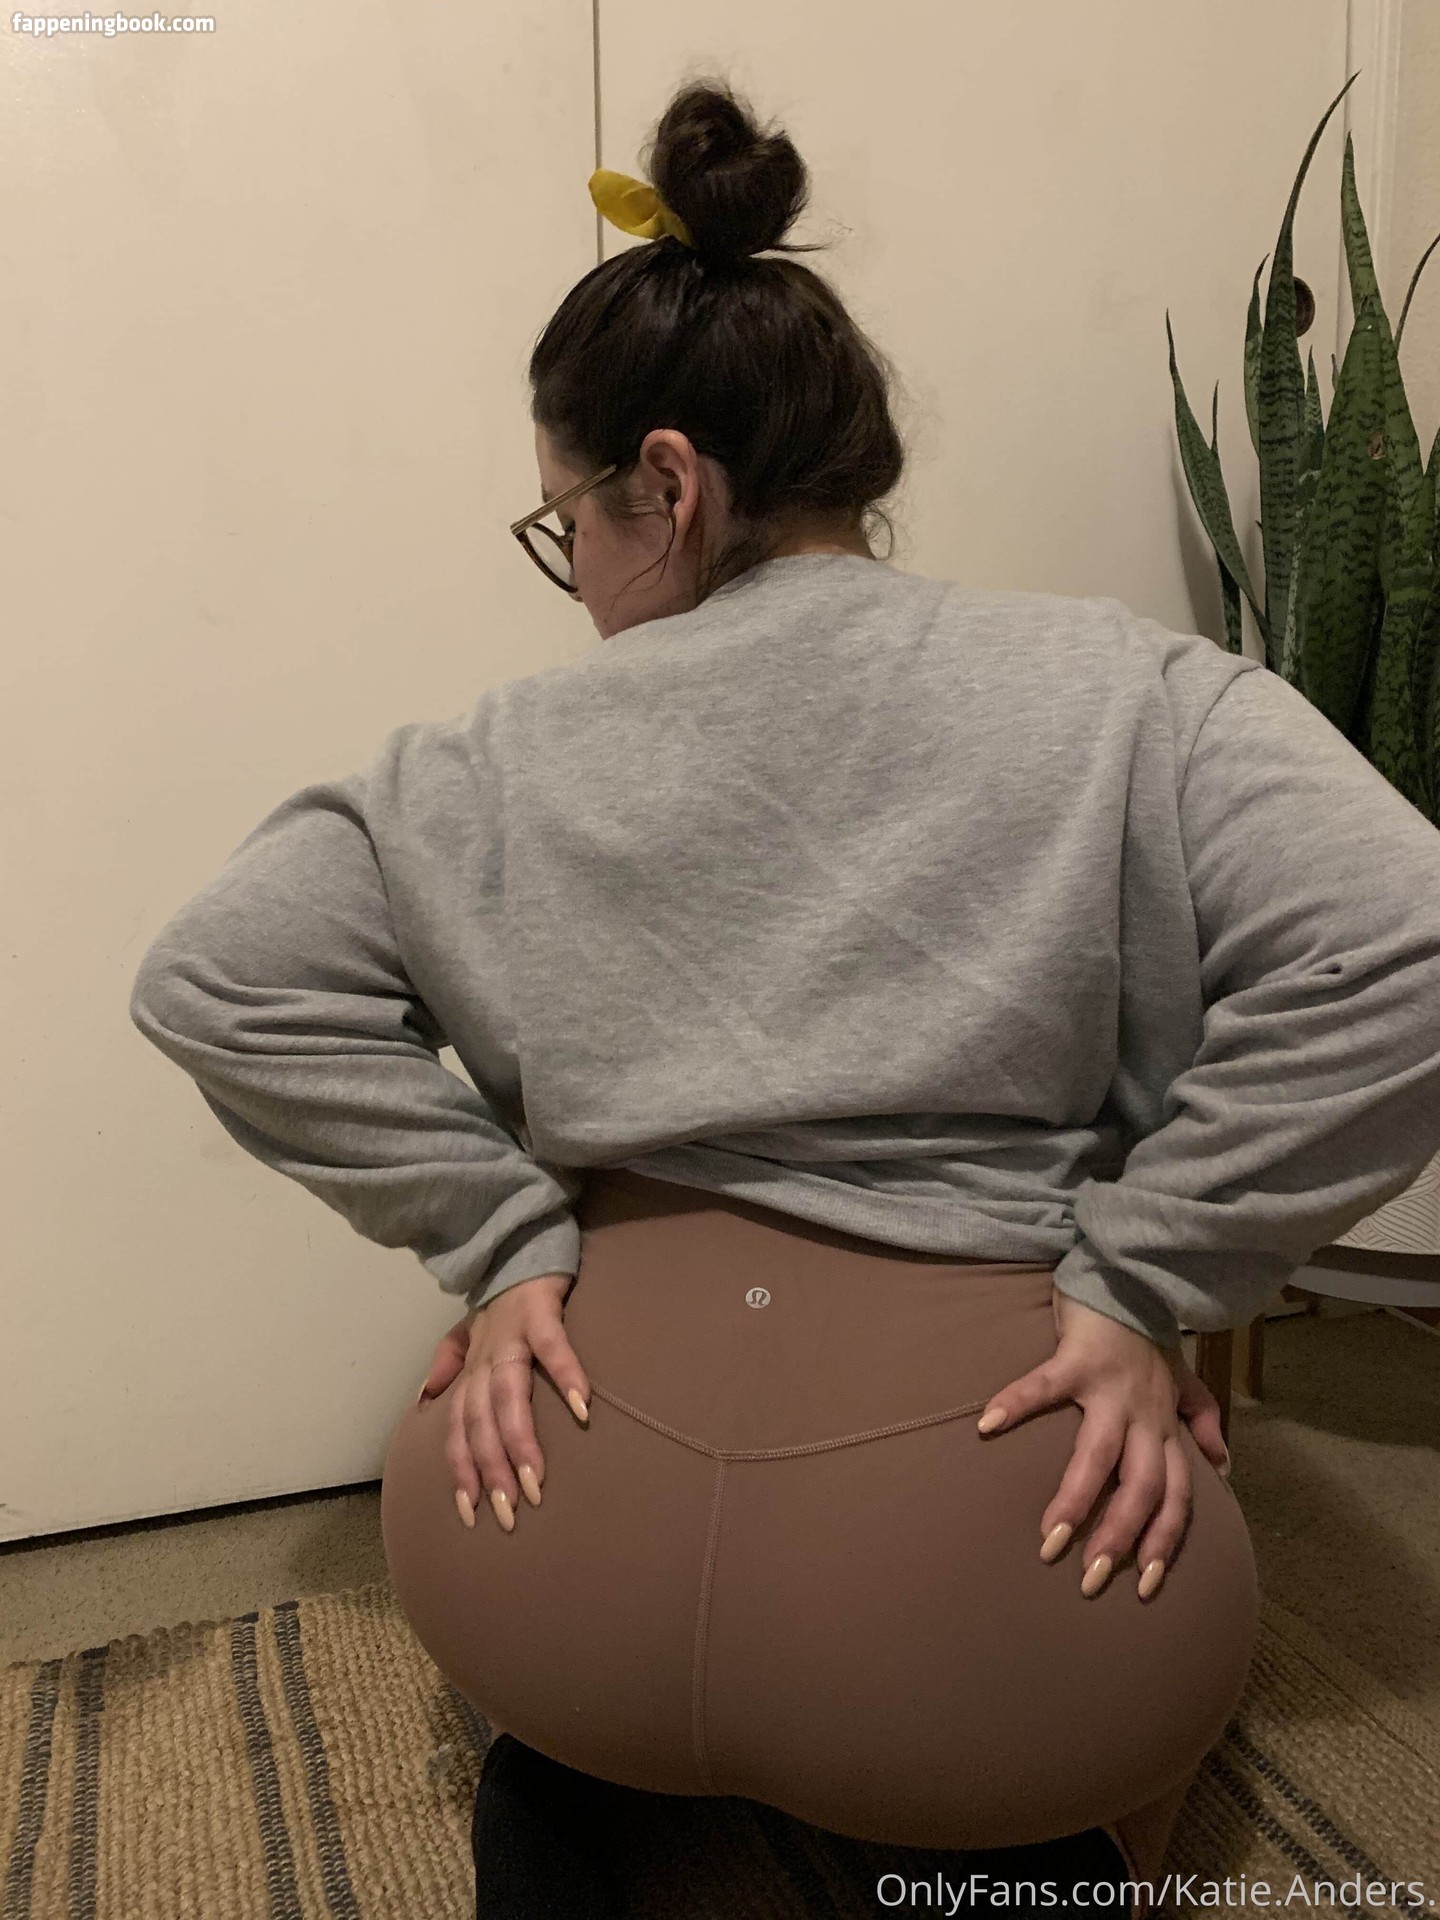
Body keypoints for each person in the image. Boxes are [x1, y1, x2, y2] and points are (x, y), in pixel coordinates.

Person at [130, 76, 1440, 1920]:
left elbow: (215, 980)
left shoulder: (490, 755)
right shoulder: (1126, 692)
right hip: (999, 1533)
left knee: (590, 1724)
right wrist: (1149, 1276)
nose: (576, 580)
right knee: (1071, 1715)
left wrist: (500, 1236)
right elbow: (1412, 947)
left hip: (549, 1512)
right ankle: (995, 1825)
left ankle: (586, 1783)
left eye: (566, 528)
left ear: (667, 486)